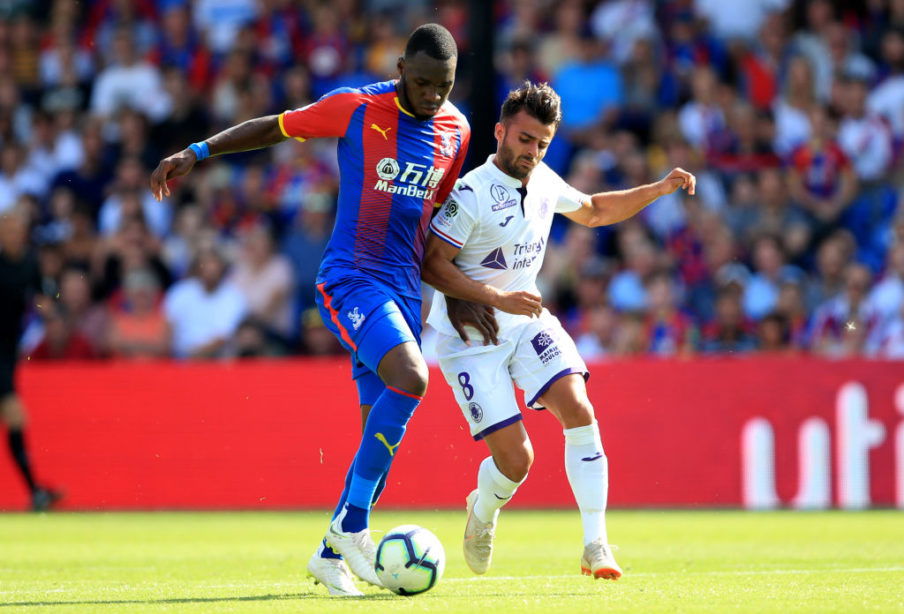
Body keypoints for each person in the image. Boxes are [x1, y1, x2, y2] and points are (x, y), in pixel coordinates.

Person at [149, 24, 471, 596]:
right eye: (421, 82)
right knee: (412, 378)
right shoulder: (355, 107)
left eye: (442, 85)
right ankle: (351, 527)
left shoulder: (458, 129)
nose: (432, 96)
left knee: (383, 426)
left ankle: (329, 554)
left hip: (402, 289)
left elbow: (435, 220)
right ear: (400, 68)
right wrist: (198, 151)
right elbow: (273, 129)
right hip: (350, 278)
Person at [422, 82, 695, 580]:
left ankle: (597, 546)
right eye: (525, 140)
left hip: (525, 321)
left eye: (542, 143)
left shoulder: (545, 180)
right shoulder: (471, 194)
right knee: (517, 461)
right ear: (501, 132)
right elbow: (432, 265)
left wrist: (656, 190)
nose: (533, 152)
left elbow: (593, 210)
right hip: (469, 340)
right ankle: (482, 512)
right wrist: (494, 297)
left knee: (579, 408)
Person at [0, 211, 62, 511]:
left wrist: (48, 308)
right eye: (7, 229)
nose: (12, 234)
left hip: (8, 349)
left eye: (16, 229)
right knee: (14, 415)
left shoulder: (29, 263)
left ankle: (35, 490)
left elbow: (39, 295)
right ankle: (34, 490)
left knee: (14, 418)